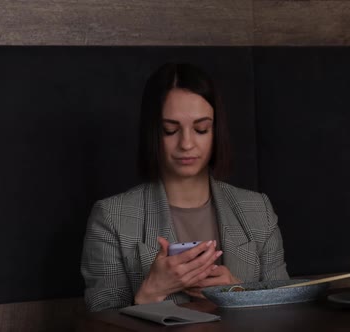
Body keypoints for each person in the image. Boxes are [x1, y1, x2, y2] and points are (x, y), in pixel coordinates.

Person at [80, 63, 289, 312]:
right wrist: (150, 293)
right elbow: (101, 322)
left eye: (201, 129)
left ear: (216, 131)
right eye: (170, 130)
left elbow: (287, 308)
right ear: (152, 132)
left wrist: (237, 292)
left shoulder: (258, 210)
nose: (186, 144)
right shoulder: (111, 217)